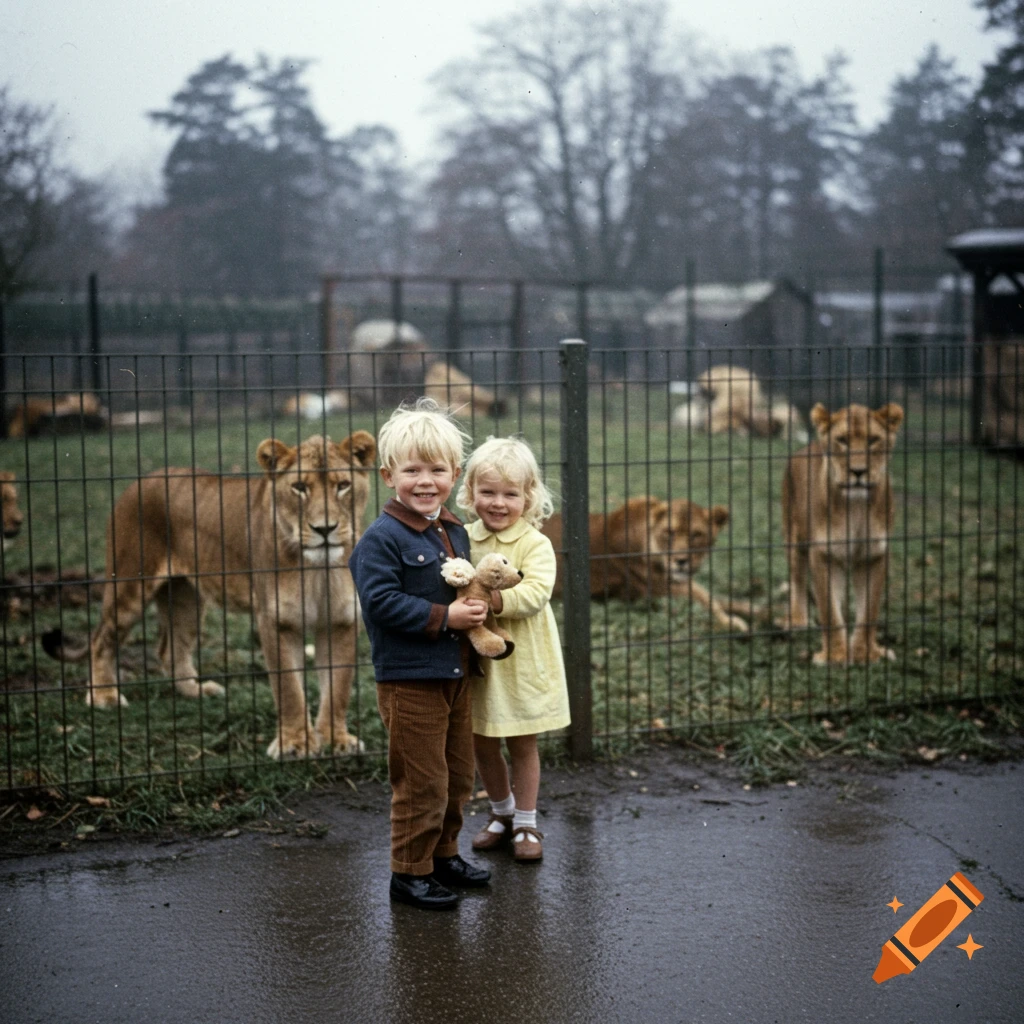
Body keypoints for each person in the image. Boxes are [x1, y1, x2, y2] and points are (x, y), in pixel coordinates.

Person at [349, 398, 493, 911]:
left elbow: (465, 586)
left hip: (455, 675)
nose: (425, 480)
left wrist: (479, 604)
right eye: (412, 470)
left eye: (438, 469)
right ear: (389, 475)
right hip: (410, 680)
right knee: (420, 781)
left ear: (455, 474)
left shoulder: (452, 531)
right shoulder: (380, 540)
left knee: (456, 773)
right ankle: (409, 873)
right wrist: (444, 619)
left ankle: (444, 855)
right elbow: (381, 603)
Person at [456, 436, 570, 862]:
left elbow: (538, 592)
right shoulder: (463, 536)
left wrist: (496, 601)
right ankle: (500, 814)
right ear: (470, 493)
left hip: (521, 661)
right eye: (487, 492)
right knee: (481, 739)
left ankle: (526, 821)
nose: (498, 503)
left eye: (510, 494)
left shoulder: (533, 543)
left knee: (522, 742)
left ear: (529, 496)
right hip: (478, 661)